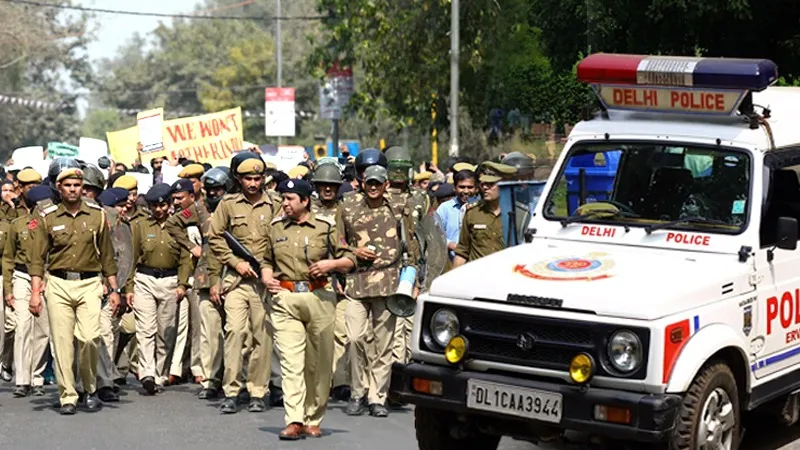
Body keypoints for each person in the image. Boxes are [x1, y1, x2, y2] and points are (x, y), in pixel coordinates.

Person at [261, 179, 355, 440]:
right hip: (286, 299)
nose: (285, 203)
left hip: (319, 298)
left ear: (305, 201)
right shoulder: (276, 228)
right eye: (283, 198)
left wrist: (330, 264)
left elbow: (350, 259)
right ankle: (295, 420)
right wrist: (267, 277)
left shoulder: (326, 228)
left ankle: (314, 417)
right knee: (291, 363)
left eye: (290, 199)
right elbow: (266, 259)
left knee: (318, 364)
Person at [29, 168, 121, 415]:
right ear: (60, 188)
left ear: (83, 188)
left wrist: (114, 289)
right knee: (62, 342)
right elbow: (37, 259)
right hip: (58, 284)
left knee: (90, 337)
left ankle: (90, 388)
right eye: (67, 185)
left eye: (77, 185)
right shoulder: (48, 217)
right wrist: (36, 292)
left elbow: (108, 257)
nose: (72, 189)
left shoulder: (97, 216)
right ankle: (68, 395)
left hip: (90, 283)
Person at [336, 165, 420, 417]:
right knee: (354, 338)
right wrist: (352, 253)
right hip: (356, 282)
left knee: (384, 343)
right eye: (369, 182)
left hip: (389, 282)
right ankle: (357, 392)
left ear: (386, 185)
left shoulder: (398, 208)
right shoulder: (347, 207)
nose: (373, 187)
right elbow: (337, 244)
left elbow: (410, 245)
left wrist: (413, 279)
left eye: (378, 183)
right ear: (362, 182)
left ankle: (377, 397)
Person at [208, 157, 279, 414]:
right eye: (248, 179)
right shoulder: (228, 204)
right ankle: (231, 390)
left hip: (264, 282)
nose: (252, 183)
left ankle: (258, 391)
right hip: (236, 281)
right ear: (239, 179)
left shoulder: (276, 204)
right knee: (235, 332)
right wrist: (235, 262)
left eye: (257, 179)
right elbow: (215, 237)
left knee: (262, 337)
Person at [125, 183, 192, 395]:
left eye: (162, 206)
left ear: (169, 205)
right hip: (145, 278)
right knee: (146, 329)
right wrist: (129, 287)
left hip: (170, 281)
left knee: (166, 332)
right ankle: (147, 373)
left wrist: (182, 284)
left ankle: (160, 373)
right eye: (154, 206)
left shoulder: (179, 225)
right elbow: (132, 257)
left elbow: (185, 259)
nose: (159, 210)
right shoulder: (141, 226)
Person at [3, 171, 48, 397]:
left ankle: (37, 377)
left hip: (47, 278)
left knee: (42, 330)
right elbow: (8, 257)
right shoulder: (17, 222)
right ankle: (22, 379)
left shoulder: (51, 220)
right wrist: (8, 289)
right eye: (28, 186)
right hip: (21, 276)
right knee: (22, 327)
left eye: (36, 186)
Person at [309, 163, 350, 401]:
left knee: (341, 332)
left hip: (342, 277)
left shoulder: (346, 211)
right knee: (315, 331)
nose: (327, 190)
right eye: (323, 185)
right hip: (315, 277)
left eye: (332, 186)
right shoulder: (308, 211)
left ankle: (341, 380)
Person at [452, 162, 517, 268]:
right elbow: (462, 252)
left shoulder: (519, 214)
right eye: (483, 183)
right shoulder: (472, 213)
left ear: (505, 183)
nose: (485, 187)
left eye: (491, 184)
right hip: (477, 277)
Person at [435, 170, 479, 262]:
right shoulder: (445, 208)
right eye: (462, 187)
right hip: (452, 262)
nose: (466, 191)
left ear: (476, 188)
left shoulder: (481, 208)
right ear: (454, 188)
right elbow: (435, 234)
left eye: (470, 187)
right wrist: (450, 244)